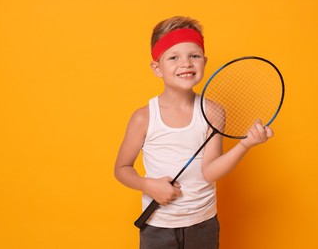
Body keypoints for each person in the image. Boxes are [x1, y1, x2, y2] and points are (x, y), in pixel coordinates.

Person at [114, 16, 274, 249]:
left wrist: (245, 145)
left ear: (204, 61)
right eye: (174, 57)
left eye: (194, 55)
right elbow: (121, 169)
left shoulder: (213, 112)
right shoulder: (144, 117)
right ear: (157, 68)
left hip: (203, 223)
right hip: (158, 224)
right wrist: (148, 184)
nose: (186, 63)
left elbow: (209, 172)